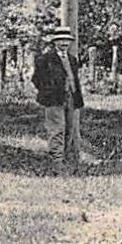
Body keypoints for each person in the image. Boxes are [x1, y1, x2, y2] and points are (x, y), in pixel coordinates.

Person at [34, 35, 85, 168]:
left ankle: (67, 157)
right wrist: (48, 91)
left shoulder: (72, 59)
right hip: (53, 98)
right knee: (57, 128)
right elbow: (36, 79)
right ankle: (56, 159)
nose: (64, 43)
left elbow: (74, 78)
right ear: (55, 42)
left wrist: (74, 94)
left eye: (66, 40)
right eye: (60, 40)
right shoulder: (45, 59)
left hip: (71, 97)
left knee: (70, 127)